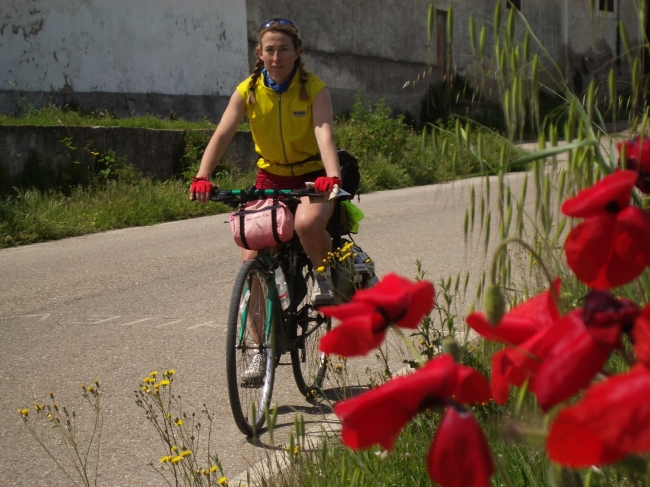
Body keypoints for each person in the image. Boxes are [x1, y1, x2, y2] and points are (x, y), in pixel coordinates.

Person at [189, 18, 341, 382]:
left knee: (307, 224)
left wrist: (332, 175)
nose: (277, 56)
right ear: (259, 53)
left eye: (284, 49)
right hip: (269, 178)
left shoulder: (313, 89)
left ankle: (324, 279)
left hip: (312, 176)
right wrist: (202, 175)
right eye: (270, 50)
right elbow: (223, 133)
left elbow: (323, 132)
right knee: (252, 260)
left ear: (297, 52)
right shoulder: (249, 90)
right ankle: (259, 351)